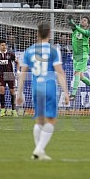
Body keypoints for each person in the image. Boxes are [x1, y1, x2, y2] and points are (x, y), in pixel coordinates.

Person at [16, 22, 70, 160]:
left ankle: (39, 153)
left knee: (39, 121)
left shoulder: (29, 51)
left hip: (36, 88)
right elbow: (59, 72)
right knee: (50, 120)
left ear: (37, 33)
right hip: (50, 87)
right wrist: (66, 92)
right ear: (50, 34)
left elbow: (22, 73)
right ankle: (39, 149)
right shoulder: (54, 50)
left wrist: (19, 93)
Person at [67, 15, 90, 100]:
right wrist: (70, 20)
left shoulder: (87, 32)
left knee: (77, 73)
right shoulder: (75, 30)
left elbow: (77, 28)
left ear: (87, 24)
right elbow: (72, 25)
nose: (82, 21)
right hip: (76, 56)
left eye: (85, 20)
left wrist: (73, 24)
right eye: (82, 20)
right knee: (80, 76)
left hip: (83, 54)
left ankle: (73, 94)